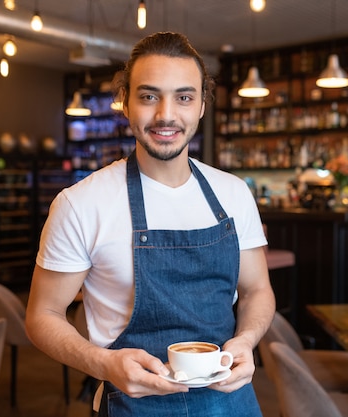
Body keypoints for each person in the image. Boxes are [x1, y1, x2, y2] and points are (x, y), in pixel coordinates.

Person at [25, 32, 276, 417]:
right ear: (125, 103)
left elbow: (258, 289)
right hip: (132, 406)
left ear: (202, 105)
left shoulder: (234, 193)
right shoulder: (80, 204)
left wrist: (246, 339)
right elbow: (42, 317)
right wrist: (102, 363)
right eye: (148, 96)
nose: (166, 115)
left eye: (184, 97)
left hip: (231, 402)